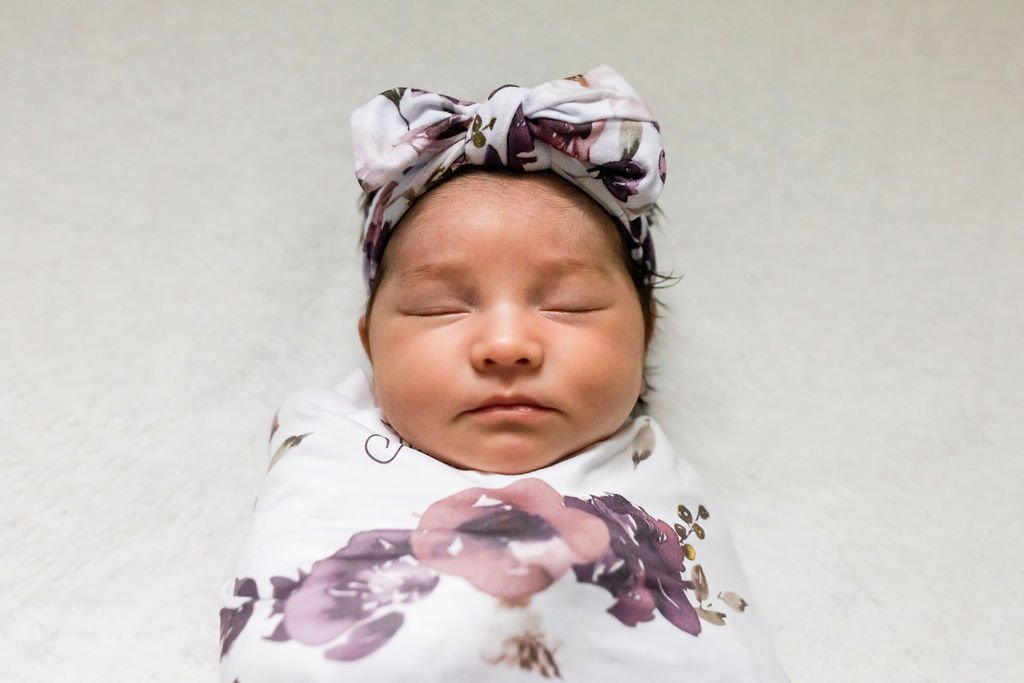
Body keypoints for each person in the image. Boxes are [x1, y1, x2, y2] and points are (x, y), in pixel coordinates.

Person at [219, 65, 788, 681]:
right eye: (440, 308)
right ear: (371, 349)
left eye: (568, 305)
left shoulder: (656, 484)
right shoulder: (330, 454)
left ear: (645, 338)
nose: (507, 345)